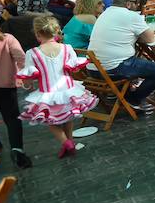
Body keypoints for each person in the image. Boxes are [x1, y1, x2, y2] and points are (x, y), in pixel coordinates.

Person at [17, 16, 98, 159]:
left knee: (50, 121)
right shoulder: (67, 48)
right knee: (68, 117)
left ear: (37, 34)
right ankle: (69, 142)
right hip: (68, 90)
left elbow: (29, 75)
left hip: (48, 92)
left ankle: (66, 143)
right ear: (55, 32)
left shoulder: (33, 53)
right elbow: (74, 69)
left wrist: (27, 84)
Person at [87, 0, 155, 113]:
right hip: (113, 68)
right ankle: (133, 99)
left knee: (137, 63)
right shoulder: (130, 15)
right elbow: (150, 38)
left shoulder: (105, 13)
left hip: (93, 69)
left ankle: (125, 96)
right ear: (128, 4)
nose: (137, 5)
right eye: (136, 2)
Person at [0, 15, 31, 168]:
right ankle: (18, 151)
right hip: (5, 86)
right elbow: (22, 59)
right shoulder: (7, 39)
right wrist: (24, 76)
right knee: (12, 119)